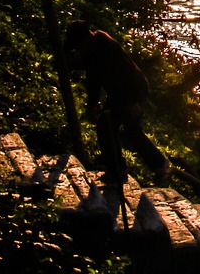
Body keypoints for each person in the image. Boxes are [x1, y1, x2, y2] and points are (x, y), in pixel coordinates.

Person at [64, 19, 170, 184]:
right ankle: (117, 169)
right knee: (105, 128)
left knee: (131, 129)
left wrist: (134, 101)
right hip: (117, 93)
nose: (78, 49)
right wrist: (92, 105)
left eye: (78, 45)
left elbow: (128, 74)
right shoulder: (88, 53)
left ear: (86, 38)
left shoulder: (107, 46)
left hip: (134, 89)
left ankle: (160, 166)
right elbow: (93, 82)